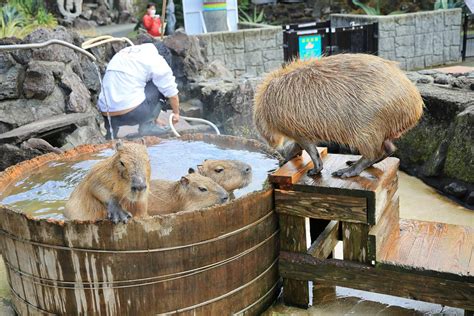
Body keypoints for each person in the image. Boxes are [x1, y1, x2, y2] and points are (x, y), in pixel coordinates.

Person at [98, 42, 180, 139]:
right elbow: (171, 91)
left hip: (108, 115)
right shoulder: (156, 59)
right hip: (131, 113)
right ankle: (147, 126)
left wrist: (155, 118)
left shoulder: (124, 52)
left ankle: (111, 131)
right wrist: (176, 113)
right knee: (160, 84)